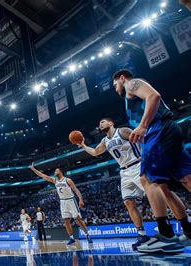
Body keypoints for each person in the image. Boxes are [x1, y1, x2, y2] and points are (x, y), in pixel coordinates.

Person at [112, 69, 191, 253]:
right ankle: (188, 229)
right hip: (165, 131)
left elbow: (154, 96)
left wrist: (142, 126)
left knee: (147, 179)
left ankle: (166, 235)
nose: (116, 88)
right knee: (180, 181)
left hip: (158, 130)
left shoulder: (131, 84)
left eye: (115, 84)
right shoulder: (129, 98)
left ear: (121, 78)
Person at [79, 118, 150, 250]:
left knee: (154, 195)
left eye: (103, 122)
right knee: (128, 203)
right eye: (99, 123)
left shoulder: (122, 131)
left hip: (137, 165)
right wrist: (83, 145)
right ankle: (142, 234)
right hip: (124, 172)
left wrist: (145, 155)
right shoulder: (105, 141)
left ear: (111, 123)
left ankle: (168, 227)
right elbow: (95, 152)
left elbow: (142, 138)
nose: (100, 124)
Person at [30, 163, 93, 245]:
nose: (55, 172)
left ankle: (87, 235)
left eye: (56, 170)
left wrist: (80, 200)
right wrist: (33, 169)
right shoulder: (54, 180)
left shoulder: (68, 180)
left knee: (78, 219)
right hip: (62, 202)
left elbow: (76, 190)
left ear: (60, 171)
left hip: (71, 200)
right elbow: (42, 175)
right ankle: (71, 238)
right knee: (66, 221)